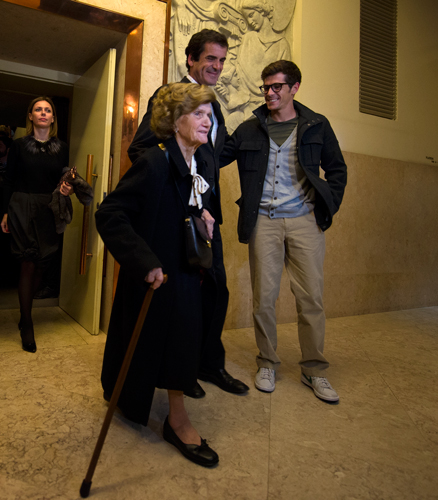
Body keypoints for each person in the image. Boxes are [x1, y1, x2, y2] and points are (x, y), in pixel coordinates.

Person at [96, 83, 219, 468]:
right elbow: (110, 214)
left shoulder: (196, 163)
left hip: (185, 272)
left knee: (181, 341)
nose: (207, 121)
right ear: (175, 119)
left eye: (209, 115)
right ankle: (164, 417)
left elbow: (181, 209)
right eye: (198, 114)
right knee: (159, 342)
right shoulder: (155, 161)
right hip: (156, 272)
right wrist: (144, 261)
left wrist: (203, 216)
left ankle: (173, 418)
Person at [128, 29, 249, 399]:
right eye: (210, 58)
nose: (217, 66)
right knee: (182, 299)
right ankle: (181, 372)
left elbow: (211, 158)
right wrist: (184, 192)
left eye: (222, 60)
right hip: (179, 217)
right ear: (191, 59)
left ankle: (208, 364)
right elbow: (141, 149)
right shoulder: (171, 97)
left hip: (207, 219)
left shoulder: (214, 107)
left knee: (215, 291)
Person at [220, 60, 347, 402]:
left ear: (294, 88)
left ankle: (314, 369)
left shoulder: (317, 125)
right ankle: (267, 362)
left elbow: (337, 169)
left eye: (277, 86)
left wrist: (326, 205)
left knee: (311, 299)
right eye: (266, 87)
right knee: (264, 298)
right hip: (263, 221)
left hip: (305, 221)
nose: (270, 93)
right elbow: (215, 156)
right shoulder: (249, 128)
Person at [0, 97, 72, 353]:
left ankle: (25, 311)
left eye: (48, 110)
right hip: (22, 205)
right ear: (30, 116)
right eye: (38, 109)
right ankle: (27, 322)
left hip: (48, 208)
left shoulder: (62, 148)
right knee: (28, 261)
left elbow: (61, 180)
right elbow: (8, 180)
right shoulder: (19, 145)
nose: (43, 113)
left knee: (43, 262)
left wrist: (66, 188)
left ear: (53, 118)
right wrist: (5, 211)